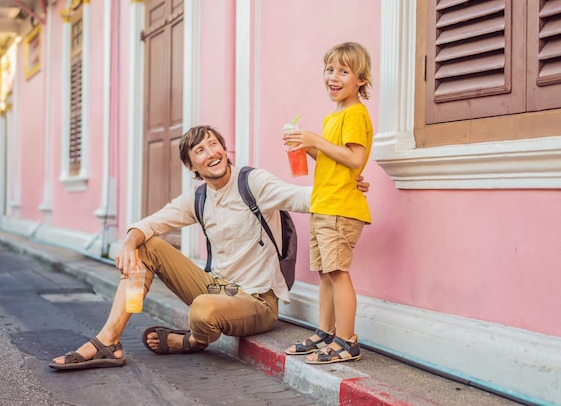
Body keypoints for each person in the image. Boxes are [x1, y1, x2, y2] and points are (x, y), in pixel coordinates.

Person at [49, 125, 369, 370]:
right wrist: (129, 242)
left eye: (214, 144)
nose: (210, 153)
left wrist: (344, 187)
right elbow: (154, 222)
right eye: (200, 151)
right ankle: (109, 340)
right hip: (215, 287)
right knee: (147, 247)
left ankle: (193, 340)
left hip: (257, 301)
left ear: (225, 150)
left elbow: (302, 197)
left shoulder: (252, 182)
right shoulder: (198, 197)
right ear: (193, 166)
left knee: (202, 310)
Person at [283, 42, 374, 364]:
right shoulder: (334, 116)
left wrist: (316, 140)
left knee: (337, 272)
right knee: (325, 272)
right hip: (324, 204)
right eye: (329, 69)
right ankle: (325, 332)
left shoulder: (355, 113)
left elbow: (355, 158)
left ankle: (347, 341)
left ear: (360, 79)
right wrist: (307, 146)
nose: (333, 77)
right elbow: (332, 160)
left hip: (340, 208)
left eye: (343, 71)